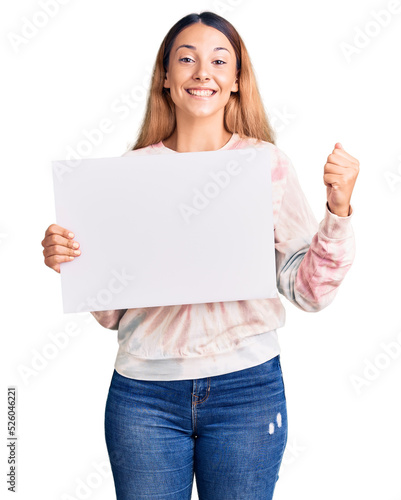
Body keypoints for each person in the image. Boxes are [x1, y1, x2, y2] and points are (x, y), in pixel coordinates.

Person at [41, 11, 359, 500]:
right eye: (185, 59)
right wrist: (74, 260)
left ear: (235, 80)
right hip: (144, 396)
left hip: (247, 391)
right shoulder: (127, 174)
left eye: (218, 60)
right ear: (166, 79)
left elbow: (309, 292)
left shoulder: (266, 165)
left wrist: (338, 212)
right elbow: (111, 314)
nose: (202, 72)